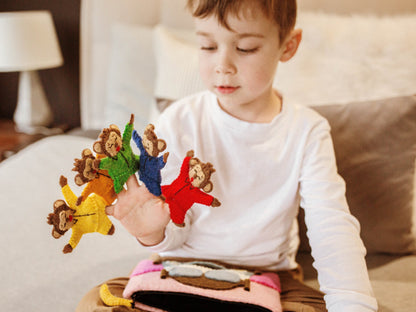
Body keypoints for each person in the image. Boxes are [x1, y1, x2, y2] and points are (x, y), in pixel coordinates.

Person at [77, 0, 378, 311]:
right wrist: (153, 233)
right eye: (207, 46)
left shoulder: (307, 130)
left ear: (287, 46)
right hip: (180, 268)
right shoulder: (177, 121)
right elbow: (174, 232)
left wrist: (352, 304)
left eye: (245, 48)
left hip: (269, 276)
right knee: (96, 302)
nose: (223, 64)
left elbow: (331, 224)